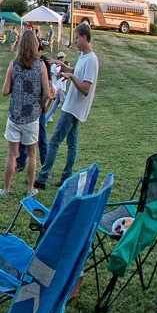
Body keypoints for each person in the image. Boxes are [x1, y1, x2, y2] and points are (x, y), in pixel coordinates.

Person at [35, 24, 100, 189]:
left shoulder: (91, 59)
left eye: (77, 38)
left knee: (55, 140)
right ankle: (65, 179)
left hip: (73, 108)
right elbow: (77, 72)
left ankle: (41, 179)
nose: (76, 42)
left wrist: (71, 76)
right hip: (73, 107)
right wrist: (64, 68)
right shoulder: (83, 56)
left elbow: (86, 88)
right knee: (72, 143)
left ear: (84, 37)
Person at [0, 30, 52, 197]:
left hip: (15, 115)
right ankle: (30, 189)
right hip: (32, 117)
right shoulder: (41, 65)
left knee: (11, 154)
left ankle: (6, 189)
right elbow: (46, 92)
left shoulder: (13, 65)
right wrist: (42, 106)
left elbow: (5, 91)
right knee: (32, 154)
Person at [44, 51, 67, 123]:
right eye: (63, 57)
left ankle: (45, 118)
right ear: (60, 58)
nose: (64, 59)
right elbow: (50, 76)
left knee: (52, 103)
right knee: (65, 103)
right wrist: (50, 86)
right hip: (55, 86)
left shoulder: (61, 66)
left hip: (58, 87)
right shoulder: (54, 66)